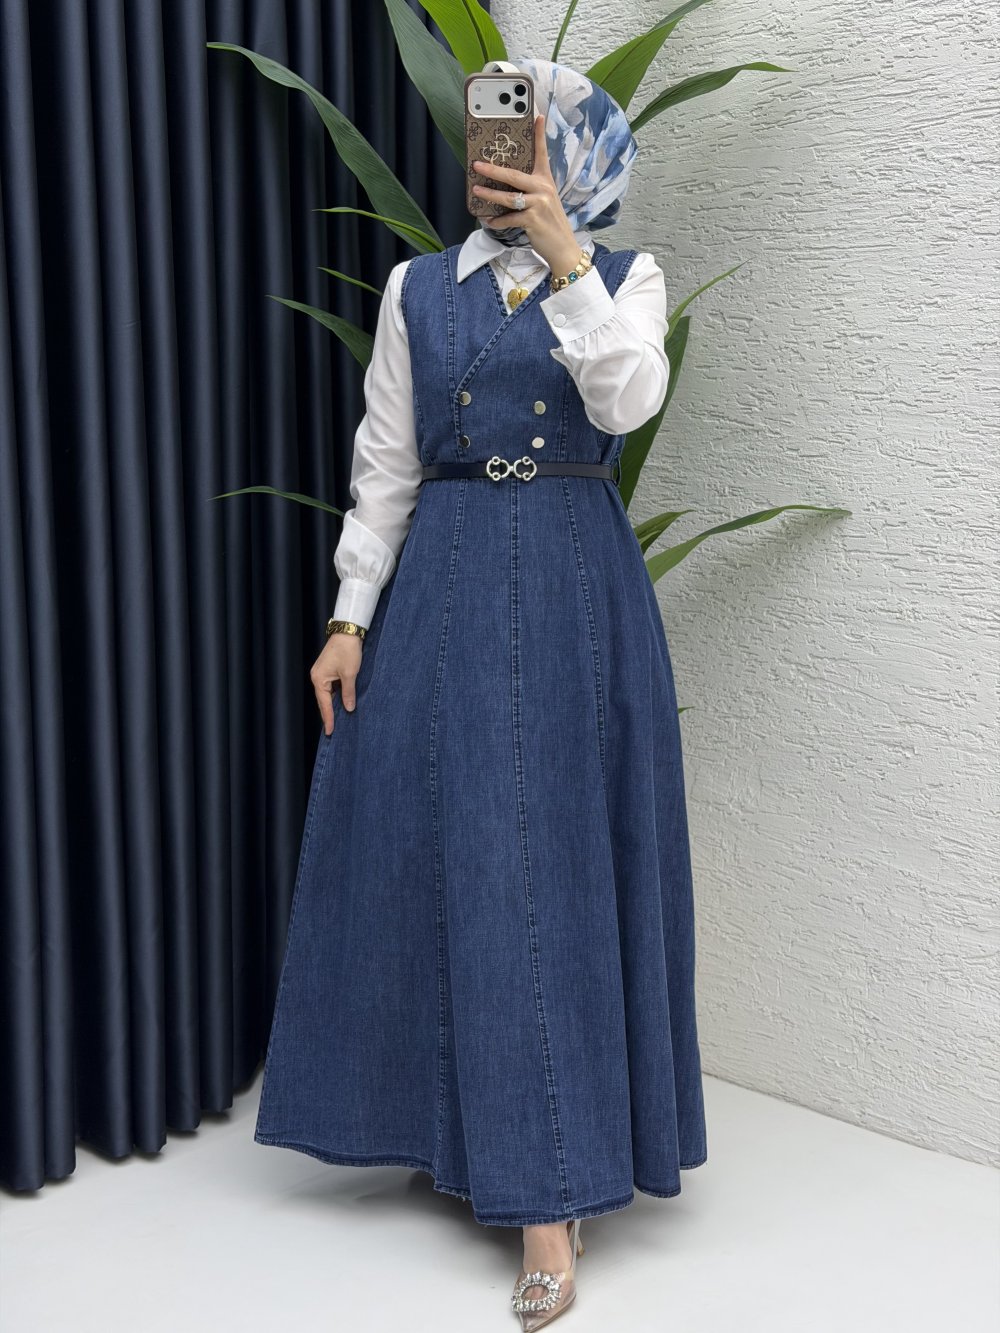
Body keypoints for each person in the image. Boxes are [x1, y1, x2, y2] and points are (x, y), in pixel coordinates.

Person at [253, 56, 708, 1330]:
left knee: (545, 863)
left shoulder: (625, 279)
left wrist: (566, 261)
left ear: (576, 160)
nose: (493, 160)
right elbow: (385, 462)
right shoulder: (417, 288)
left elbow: (629, 399)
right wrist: (350, 616)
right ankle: (453, 1129)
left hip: (573, 585)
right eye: (485, 138)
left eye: (527, 143)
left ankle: (548, 1195)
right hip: (447, 582)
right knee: (442, 851)